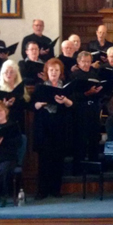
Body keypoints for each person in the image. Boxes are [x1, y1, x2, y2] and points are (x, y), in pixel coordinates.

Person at [32, 58, 74, 199]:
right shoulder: (40, 87)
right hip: (44, 126)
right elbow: (33, 106)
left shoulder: (66, 87)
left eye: (57, 70)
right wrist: (39, 104)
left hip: (60, 126)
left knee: (58, 159)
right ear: (47, 72)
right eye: (51, 70)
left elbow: (72, 106)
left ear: (60, 72)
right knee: (44, 160)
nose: (54, 73)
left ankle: (56, 189)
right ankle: (42, 191)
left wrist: (65, 101)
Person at [70, 52, 104, 164]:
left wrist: (98, 91)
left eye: (88, 62)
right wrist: (86, 93)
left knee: (94, 137)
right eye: (83, 62)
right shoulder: (74, 76)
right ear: (78, 62)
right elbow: (72, 95)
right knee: (80, 138)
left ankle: (93, 165)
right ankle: (78, 166)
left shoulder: (94, 74)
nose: (86, 64)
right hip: (80, 109)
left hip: (93, 109)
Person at [0, 59, 29, 127]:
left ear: (16, 74)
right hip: (2, 121)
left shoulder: (20, 87)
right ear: (2, 74)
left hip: (19, 118)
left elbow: (25, 104)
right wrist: (4, 106)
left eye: (12, 72)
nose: (9, 74)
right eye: (6, 72)